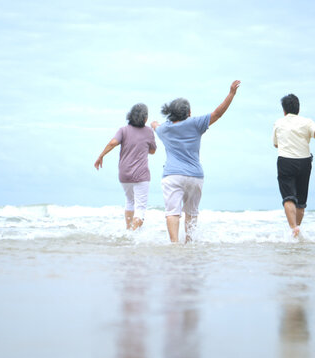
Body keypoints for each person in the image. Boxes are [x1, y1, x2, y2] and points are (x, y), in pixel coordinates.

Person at [151, 80, 241, 243]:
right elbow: (218, 113)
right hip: (195, 176)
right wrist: (231, 94)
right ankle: (190, 243)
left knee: (172, 212)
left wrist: (153, 123)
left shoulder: (164, 129)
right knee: (191, 212)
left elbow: (155, 125)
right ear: (188, 112)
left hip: (172, 176)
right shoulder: (195, 124)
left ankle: (174, 245)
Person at [95, 103, 157, 230]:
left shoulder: (123, 130)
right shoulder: (148, 131)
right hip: (141, 175)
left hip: (124, 175)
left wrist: (101, 155)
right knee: (140, 208)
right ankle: (133, 234)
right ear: (145, 118)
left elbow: (113, 142)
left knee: (129, 202)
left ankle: (128, 230)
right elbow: (152, 151)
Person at [272, 94, 315, 237]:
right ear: (298, 109)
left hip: (285, 161)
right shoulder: (307, 122)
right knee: (301, 202)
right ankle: (297, 229)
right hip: (304, 162)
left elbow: (275, 144)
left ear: (284, 110)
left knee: (288, 198)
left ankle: (293, 228)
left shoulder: (278, 123)